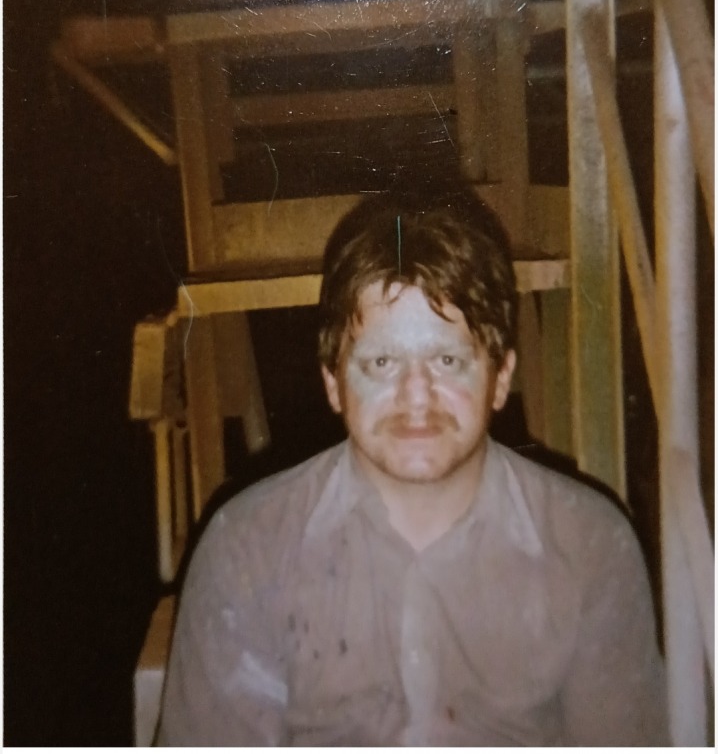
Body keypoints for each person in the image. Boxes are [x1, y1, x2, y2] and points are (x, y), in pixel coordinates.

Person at [157, 181, 668, 746]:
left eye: (448, 360)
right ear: (333, 383)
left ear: (501, 378)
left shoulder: (591, 547)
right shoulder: (245, 549)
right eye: (381, 363)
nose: (416, 396)